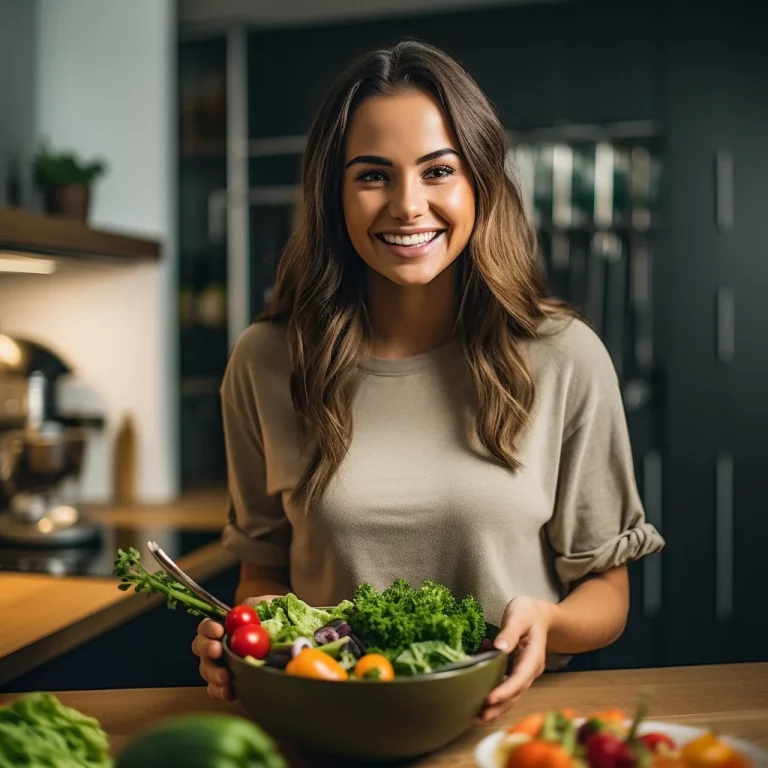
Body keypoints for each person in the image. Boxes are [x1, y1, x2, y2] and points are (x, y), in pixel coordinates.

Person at [192, 39, 664, 722]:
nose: (408, 206)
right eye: (372, 175)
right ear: (333, 193)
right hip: (332, 728)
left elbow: (605, 593)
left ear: (480, 181)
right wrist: (243, 637)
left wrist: (548, 622)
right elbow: (265, 573)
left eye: (438, 170)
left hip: (512, 725)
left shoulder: (565, 358)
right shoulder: (266, 361)